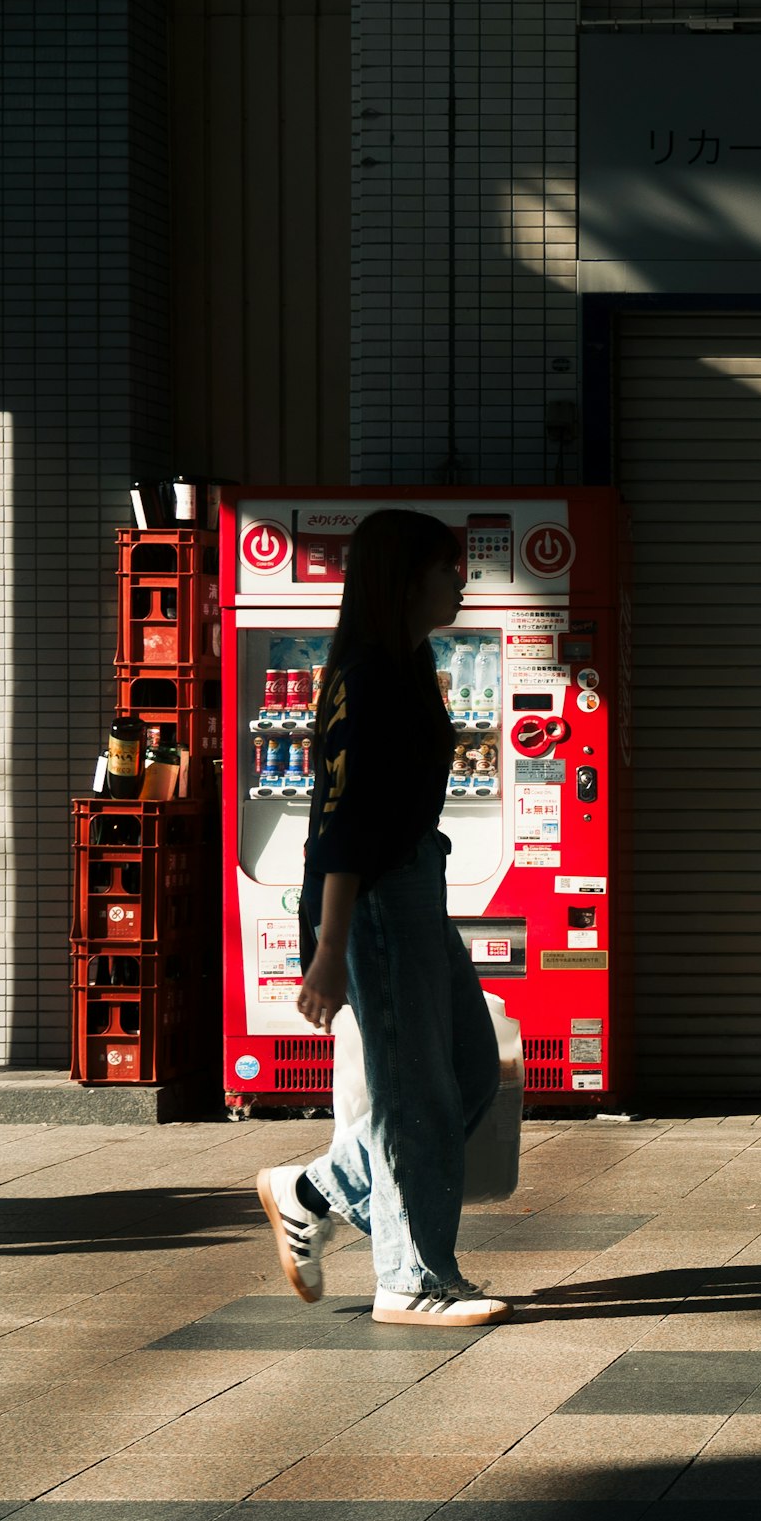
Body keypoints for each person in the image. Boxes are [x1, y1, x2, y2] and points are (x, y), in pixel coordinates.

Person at [255, 509, 512, 1325]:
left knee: (470, 1072)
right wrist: (330, 948)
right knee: (415, 1099)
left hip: (412, 889)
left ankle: (316, 1189)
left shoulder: (412, 660)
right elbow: (340, 821)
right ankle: (412, 1281)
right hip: (364, 903)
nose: (460, 583)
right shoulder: (365, 674)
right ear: (404, 578)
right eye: (448, 570)